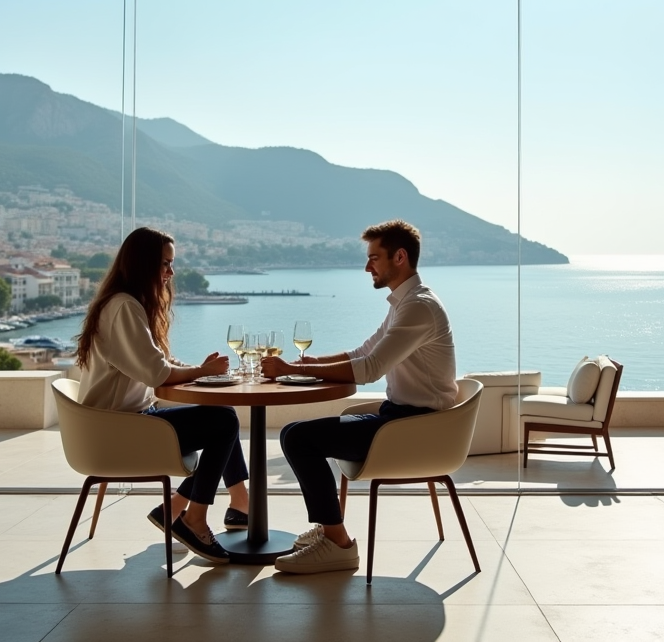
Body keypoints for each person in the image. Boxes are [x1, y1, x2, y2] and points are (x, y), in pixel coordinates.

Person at [261, 219, 457, 575]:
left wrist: (295, 368)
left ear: (399, 257)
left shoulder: (419, 307)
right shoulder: (405, 302)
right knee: (295, 434)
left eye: (374, 258)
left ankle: (338, 544)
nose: (367, 266)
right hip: (397, 418)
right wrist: (307, 362)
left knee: (299, 437)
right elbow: (363, 351)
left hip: (415, 429)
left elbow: (370, 369)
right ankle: (329, 529)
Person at [75, 226, 250, 565]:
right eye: (165, 264)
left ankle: (201, 506)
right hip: (120, 431)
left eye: (172, 264)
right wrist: (202, 373)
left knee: (220, 414)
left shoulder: (125, 304)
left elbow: (160, 361)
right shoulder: (124, 308)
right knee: (223, 420)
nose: (171, 272)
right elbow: (157, 374)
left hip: (122, 425)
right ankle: (194, 517)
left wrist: (199, 369)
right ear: (143, 265)